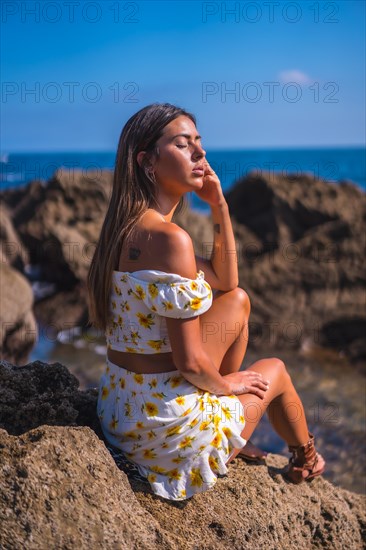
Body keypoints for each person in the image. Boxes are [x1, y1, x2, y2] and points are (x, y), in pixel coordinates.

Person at [87, 103, 325, 501]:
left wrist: (219, 206)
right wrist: (228, 384)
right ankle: (306, 458)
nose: (200, 155)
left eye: (199, 143)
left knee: (238, 301)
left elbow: (227, 281)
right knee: (277, 371)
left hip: (119, 412)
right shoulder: (169, 239)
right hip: (162, 433)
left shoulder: (127, 227)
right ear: (147, 161)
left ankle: (225, 422)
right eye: (183, 145)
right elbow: (191, 362)